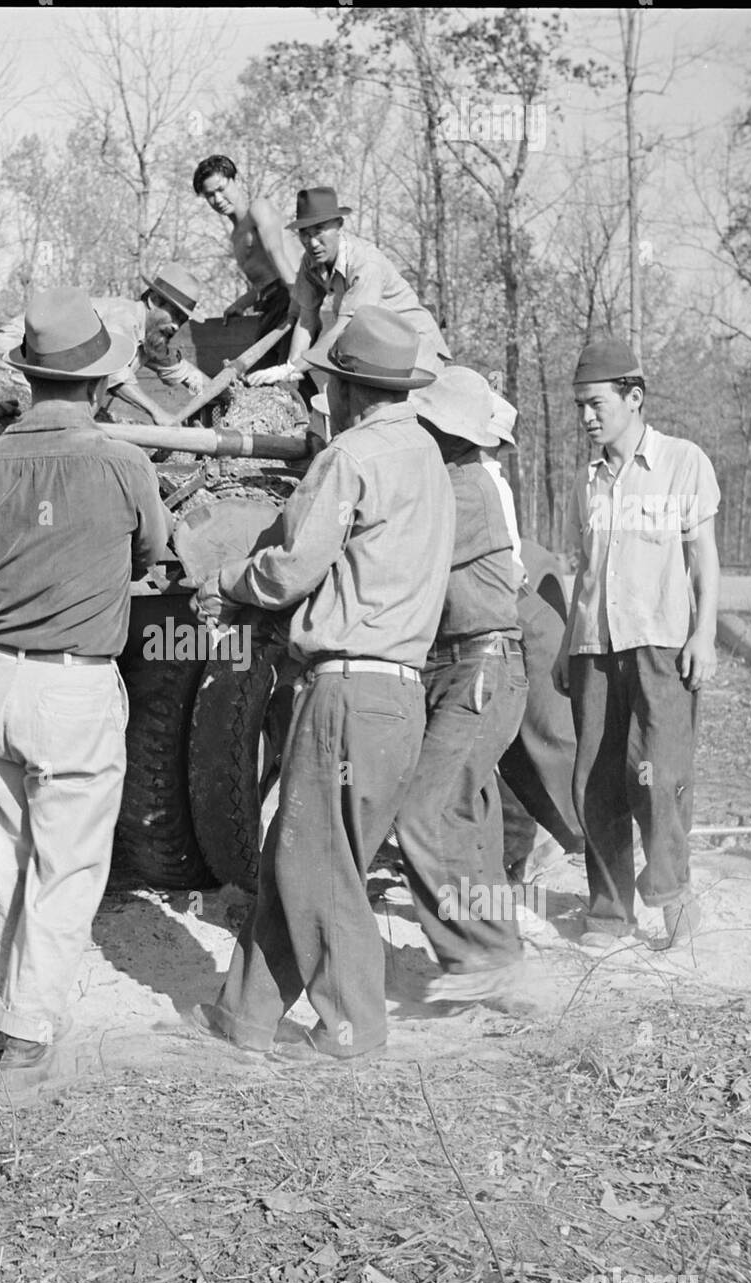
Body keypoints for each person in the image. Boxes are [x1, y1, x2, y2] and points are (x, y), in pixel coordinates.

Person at [187, 306, 454, 1061]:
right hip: (400, 696)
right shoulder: (430, 459)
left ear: (350, 389)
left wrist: (231, 583)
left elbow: (296, 564)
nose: (324, 397)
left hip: (345, 689)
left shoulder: (352, 456)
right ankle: (245, 1015)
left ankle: (353, 1025)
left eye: (329, 383)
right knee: (301, 853)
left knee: (313, 861)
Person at [0, 287, 172, 1100]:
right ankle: (27, 1039)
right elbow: (154, 551)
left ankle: (13, 1006)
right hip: (70, 683)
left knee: (7, 858)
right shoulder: (123, 461)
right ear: (96, 385)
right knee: (67, 866)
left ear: (30, 380)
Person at [553, 337, 720, 950]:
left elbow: (703, 559)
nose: (586, 417)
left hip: (662, 649)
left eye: (595, 403)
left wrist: (703, 633)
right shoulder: (586, 481)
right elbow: (586, 567)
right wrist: (566, 646)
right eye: (578, 407)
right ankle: (608, 913)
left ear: (634, 397)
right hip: (594, 650)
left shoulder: (683, 463)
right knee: (595, 783)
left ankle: (675, 900)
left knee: (658, 777)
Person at [391, 366, 530, 1007]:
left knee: (422, 810)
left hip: (481, 666)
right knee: (463, 817)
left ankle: (477, 956)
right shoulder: (451, 480)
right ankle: (498, 956)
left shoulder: (462, 488)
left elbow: (397, 549)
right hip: (460, 666)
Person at [483, 392, 584, 879]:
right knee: (511, 745)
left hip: (515, 610)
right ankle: (523, 837)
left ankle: (586, 837)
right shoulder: (465, 479)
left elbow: (508, 573)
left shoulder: (489, 485)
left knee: (548, 732)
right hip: (499, 613)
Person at [247, 187, 451, 391]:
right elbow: (306, 319)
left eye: (318, 231)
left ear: (339, 225)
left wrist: (293, 368)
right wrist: (289, 371)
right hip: (376, 350)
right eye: (305, 234)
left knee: (402, 414)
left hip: (415, 348)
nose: (313, 243)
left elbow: (346, 328)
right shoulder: (310, 263)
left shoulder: (365, 263)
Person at [0, 263, 209, 427]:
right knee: (48, 419)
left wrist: (216, 390)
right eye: (174, 315)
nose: (176, 325)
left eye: (183, 320)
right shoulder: (124, 317)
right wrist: (157, 413)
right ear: (154, 301)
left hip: (53, 367)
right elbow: (116, 375)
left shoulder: (154, 336)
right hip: (19, 347)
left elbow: (182, 373)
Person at [191, 153, 302, 337]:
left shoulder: (258, 209)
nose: (218, 199)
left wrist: (299, 301)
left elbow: (277, 253)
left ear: (237, 181)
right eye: (210, 195)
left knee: (279, 365)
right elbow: (266, 282)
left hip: (290, 296)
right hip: (271, 306)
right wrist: (241, 304)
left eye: (221, 189)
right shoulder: (236, 237)